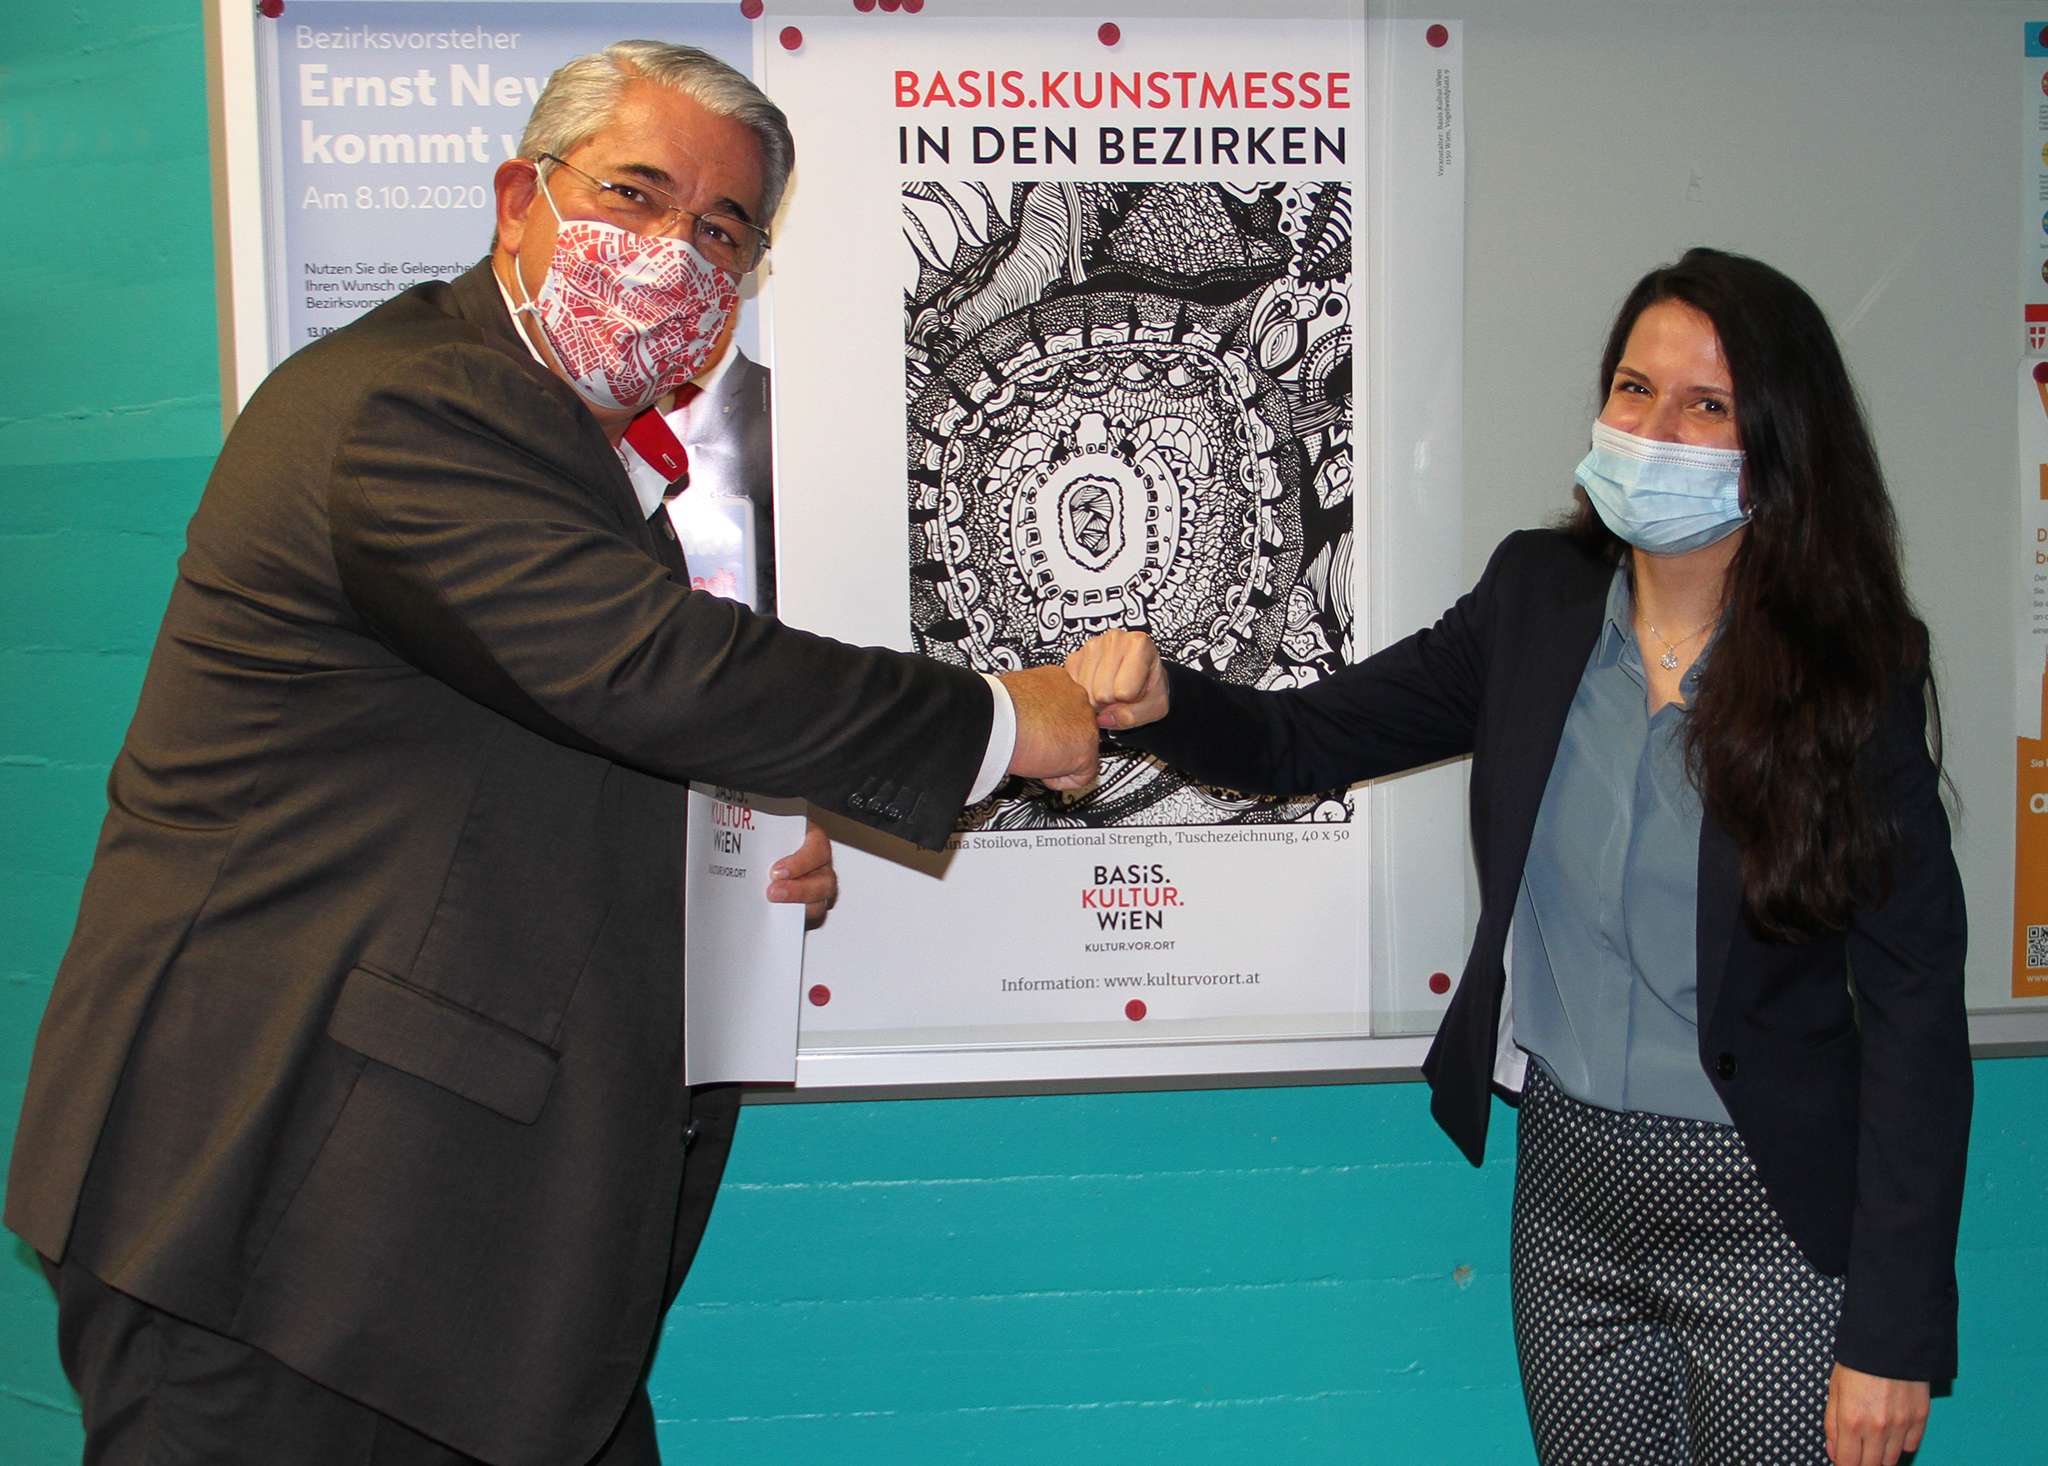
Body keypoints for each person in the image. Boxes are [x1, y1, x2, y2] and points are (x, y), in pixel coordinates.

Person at [5, 41, 1098, 1466]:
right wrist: (1002, 719)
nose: (671, 252)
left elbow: (531, 739)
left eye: (722, 231)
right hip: (275, 1225)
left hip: (428, 1256)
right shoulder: (412, 405)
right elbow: (647, 672)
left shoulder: (570, 464)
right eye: (633, 194)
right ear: (520, 199)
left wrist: (730, 842)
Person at [1068, 248, 1968, 1466]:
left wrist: (1894, 1329)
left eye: (1705, 405)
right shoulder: (1534, 601)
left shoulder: (1854, 670)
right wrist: (1162, 698)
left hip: (1771, 1213)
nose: (1653, 429)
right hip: (1569, 1195)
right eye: (1633, 388)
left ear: (1778, 441)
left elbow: (1914, 1002)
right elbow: (1304, 737)